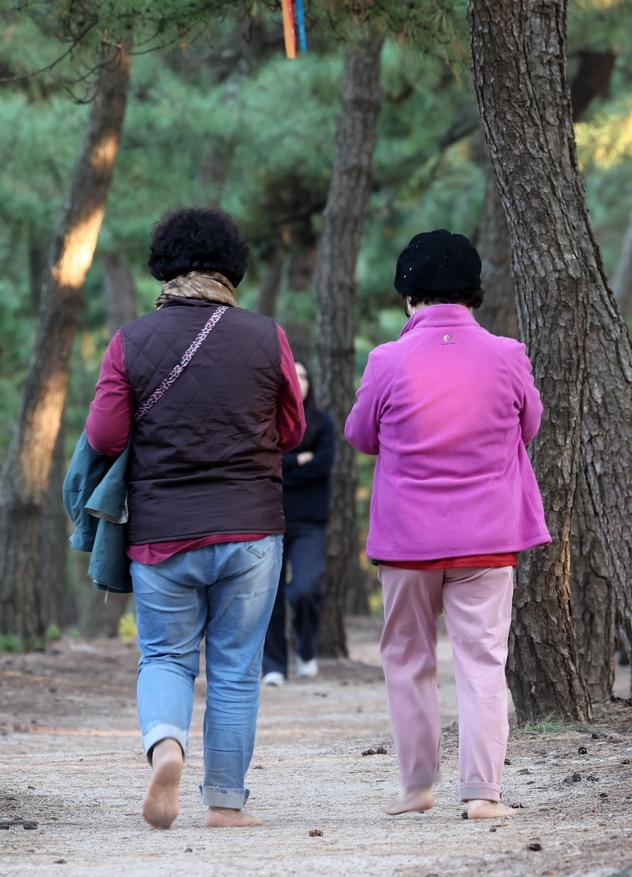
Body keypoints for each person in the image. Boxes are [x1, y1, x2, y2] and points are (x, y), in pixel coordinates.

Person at [84, 207, 305, 829]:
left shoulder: (131, 340)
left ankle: (168, 748)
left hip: (162, 534)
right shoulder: (268, 336)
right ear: (233, 267)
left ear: (163, 266)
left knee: (164, 657)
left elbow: (104, 435)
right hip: (251, 527)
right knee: (236, 668)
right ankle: (226, 806)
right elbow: (292, 429)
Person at [344, 229, 550, 822]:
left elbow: (361, 437)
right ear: (472, 294)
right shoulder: (508, 354)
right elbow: (528, 426)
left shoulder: (386, 360)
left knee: (408, 657)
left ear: (409, 298)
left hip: (409, 540)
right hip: (489, 537)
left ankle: (416, 786)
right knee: (483, 659)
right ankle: (483, 794)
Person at [261, 359, 334, 686]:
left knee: (304, 589)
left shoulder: (324, 423)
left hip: (310, 522)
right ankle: (274, 664)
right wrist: (298, 459)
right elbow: (265, 466)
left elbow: (322, 466)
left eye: (305, 375)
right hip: (270, 519)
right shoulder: (268, 423)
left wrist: (285, 466)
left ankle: (306, 648)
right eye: (295, 375)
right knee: (269, 595)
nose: (299, 380)